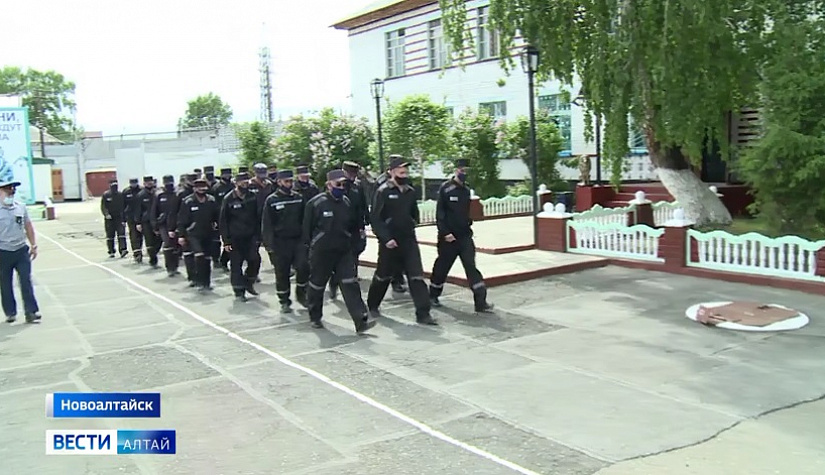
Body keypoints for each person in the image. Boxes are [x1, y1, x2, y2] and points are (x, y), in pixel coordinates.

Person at [303, 169, 376, 333]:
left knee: (350, 283)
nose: (341, 187)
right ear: (329, 185)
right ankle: (315, 316)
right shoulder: (316, 204)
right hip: (322, 252)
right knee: (317, 284)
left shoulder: (346, 202)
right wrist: (309, 249)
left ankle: (361, 319)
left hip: (343, 251)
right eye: (338, 184)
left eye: (344, 184)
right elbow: (306, 230)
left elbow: (352, 225)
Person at [367, 157, 437, 325]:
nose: (404, 173)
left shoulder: (410, 192)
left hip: (408, 241)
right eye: (401, 170)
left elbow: (414, 213)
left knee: (416, 276)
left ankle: (423, 313)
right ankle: (372, 305)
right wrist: (386, 238)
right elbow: (375, 219)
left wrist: (412, 223)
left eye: (406, 171)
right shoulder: (383, 191)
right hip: (390, 243)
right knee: (383, 275)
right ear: (392, 172)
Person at [429, 159, 494, 313]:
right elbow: (440, 214)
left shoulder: (466, 191)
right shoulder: (446, 188)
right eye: (462, 170)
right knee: (442, 267)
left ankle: (480, 302)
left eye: (467, 171)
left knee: (471, 267)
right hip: (448, 238)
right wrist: (445, 233)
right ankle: (432, 296)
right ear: (456, 170)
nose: (464, 173)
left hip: (464, 236)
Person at [262, 169, 308, 313]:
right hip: (280, 242)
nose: (289, 184)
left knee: (303, 267)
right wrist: (269, 245)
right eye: (286, 181)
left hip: (298, 240)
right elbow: (267, 224)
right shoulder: (271, 200)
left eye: (291, 181)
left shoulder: (298, 198)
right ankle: (284, 300)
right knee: (282, 272)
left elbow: (305, 220)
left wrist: (307, 239)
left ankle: (302, 294)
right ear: (279, 182)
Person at [0, 180, 42, 324]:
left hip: (21, 250)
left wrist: (33, 245)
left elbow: (28, 226)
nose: (11, 191)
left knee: (26, 280)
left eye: (13, 189)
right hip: (3, 251)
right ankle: (10, 312)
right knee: (5, 283)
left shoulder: (20, 207)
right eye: (7, 189)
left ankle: (31, 311)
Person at [328, 160, 369, 299]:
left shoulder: (357, 186)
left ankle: (352, 279)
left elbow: (362, 205)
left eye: (354, 174)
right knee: (339, 258)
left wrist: (364, 224)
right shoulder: (338, 186)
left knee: (355, 253)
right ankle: (334, 283)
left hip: (355, 227)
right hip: (341, 226)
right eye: (350, 174)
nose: (352, 176)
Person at [219, 172, 261, 301]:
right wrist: (226, 241)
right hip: (234, 239)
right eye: (242, 182)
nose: (245, 184)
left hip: (250, 237)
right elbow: (223, 221)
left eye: (247, 182)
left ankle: (248, 281)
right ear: (236, 183)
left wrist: (259, 235)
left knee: (255, 260)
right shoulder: (228, 198)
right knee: (236, 265)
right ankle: (239, 291)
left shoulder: (252, 196)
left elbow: (258, 216)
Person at [177, 177, 220, 292]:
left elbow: (217, 216)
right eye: (199, 187)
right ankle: (198, 280)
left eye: (204, 187)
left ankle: (206, 282)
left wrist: (218, 229)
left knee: (207, 258)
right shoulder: (188, 201)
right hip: (193, 234)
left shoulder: (211, 200)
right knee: (199, 256)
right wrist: (181, 235)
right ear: (194, 189)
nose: (202, 189)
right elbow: (181, 220)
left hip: (208, 233)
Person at [373, 157, 408, 294]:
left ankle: (397, 279)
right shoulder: (381, 183)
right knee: (385, 261)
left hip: (402, 228)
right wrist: (383, 233)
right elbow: (376, 208)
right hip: (387, 229)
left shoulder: (404, 180)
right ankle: (383, 283)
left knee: (400, 258)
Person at [151, 175, 181, 277]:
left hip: (176, 223)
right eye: (167, 183)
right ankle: (170, 268)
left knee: (176, 245)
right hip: (163, 224)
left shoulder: (177, 194)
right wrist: (155, 226)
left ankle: (175, 266)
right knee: (168, 244)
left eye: (170, 182)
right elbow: (154, 211)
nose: (169, 184)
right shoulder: (159, 195)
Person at [135, 176, 161, 268]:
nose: (149, 183)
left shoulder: (157, 193)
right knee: (149, 241)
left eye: (151, 182)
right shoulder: (141, 195)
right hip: (146, 221)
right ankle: (153, 260)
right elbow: (138, 210)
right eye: (147, 182)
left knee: (159, 239)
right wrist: (138, 223)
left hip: (157, 220)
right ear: (144, 183)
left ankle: (155, 252)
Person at [212, 168, 234, 271]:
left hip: (233, 216)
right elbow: (212, 204)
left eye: (229, 174)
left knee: (232, 240)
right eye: (225, 175)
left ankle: (224, 260)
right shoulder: (216, 188)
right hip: (219, 217)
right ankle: (219, 260)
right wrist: (214, 219)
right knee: (222, 240)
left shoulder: (233, 186)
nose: (227, 176)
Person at [100, 178, 128, 258]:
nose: (114, 187)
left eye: (116, 185)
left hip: (119, 218)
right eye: (112, 185)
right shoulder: (106, 195)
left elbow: (124, 207)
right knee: (110, 236)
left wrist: (124, 219)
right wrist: (106, 214)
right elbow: (103, 206)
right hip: (110, 219)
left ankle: (123, 250)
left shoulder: (120, 195)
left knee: (121, 234)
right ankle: (111, 251)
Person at [123, 178, 143, 263]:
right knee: (133, 235)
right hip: (130, 217)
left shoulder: (141, 190)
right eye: (132, 183)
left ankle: (139, 249)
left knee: (140, 235)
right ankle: (137, 253)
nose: (133, 184)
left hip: (141, 216)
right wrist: (123, 219)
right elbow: (123, 205)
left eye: (135, 183)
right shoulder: (126, 191)